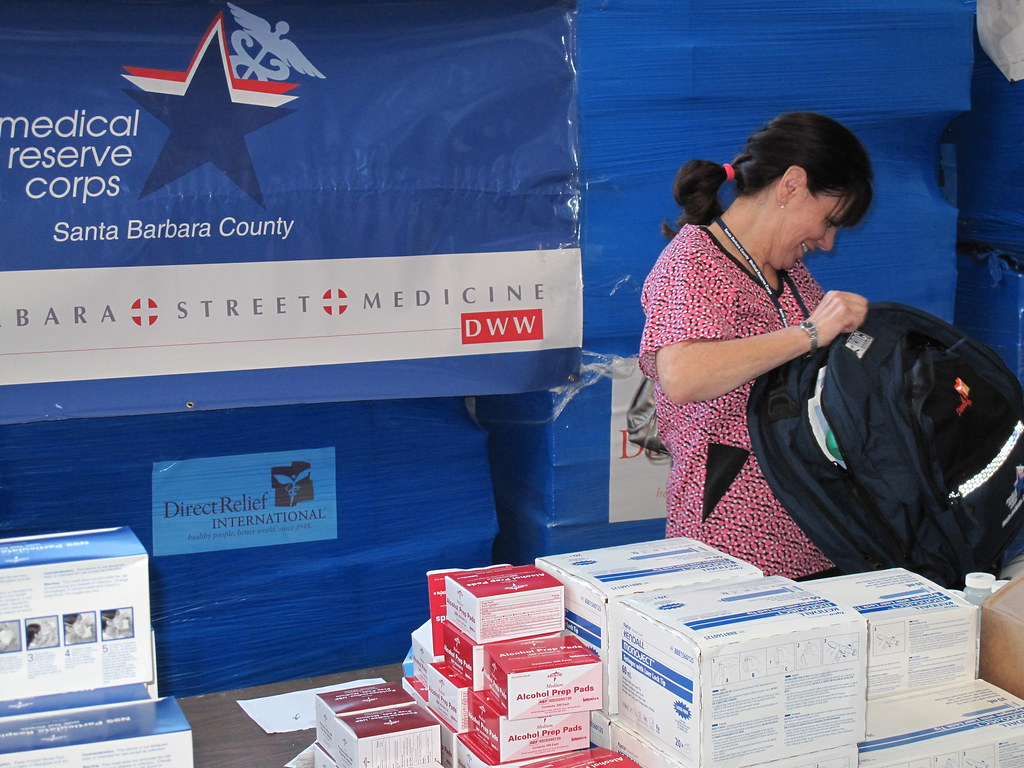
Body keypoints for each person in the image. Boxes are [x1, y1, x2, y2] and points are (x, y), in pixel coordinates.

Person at [639, 111, 873, 579]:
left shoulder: (791, 276)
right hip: (732, 552)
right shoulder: (691, 261)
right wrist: (809, 333)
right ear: (791, 185)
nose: (827, 242)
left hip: (817, 536)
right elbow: (683, 375)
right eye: (828, 221)